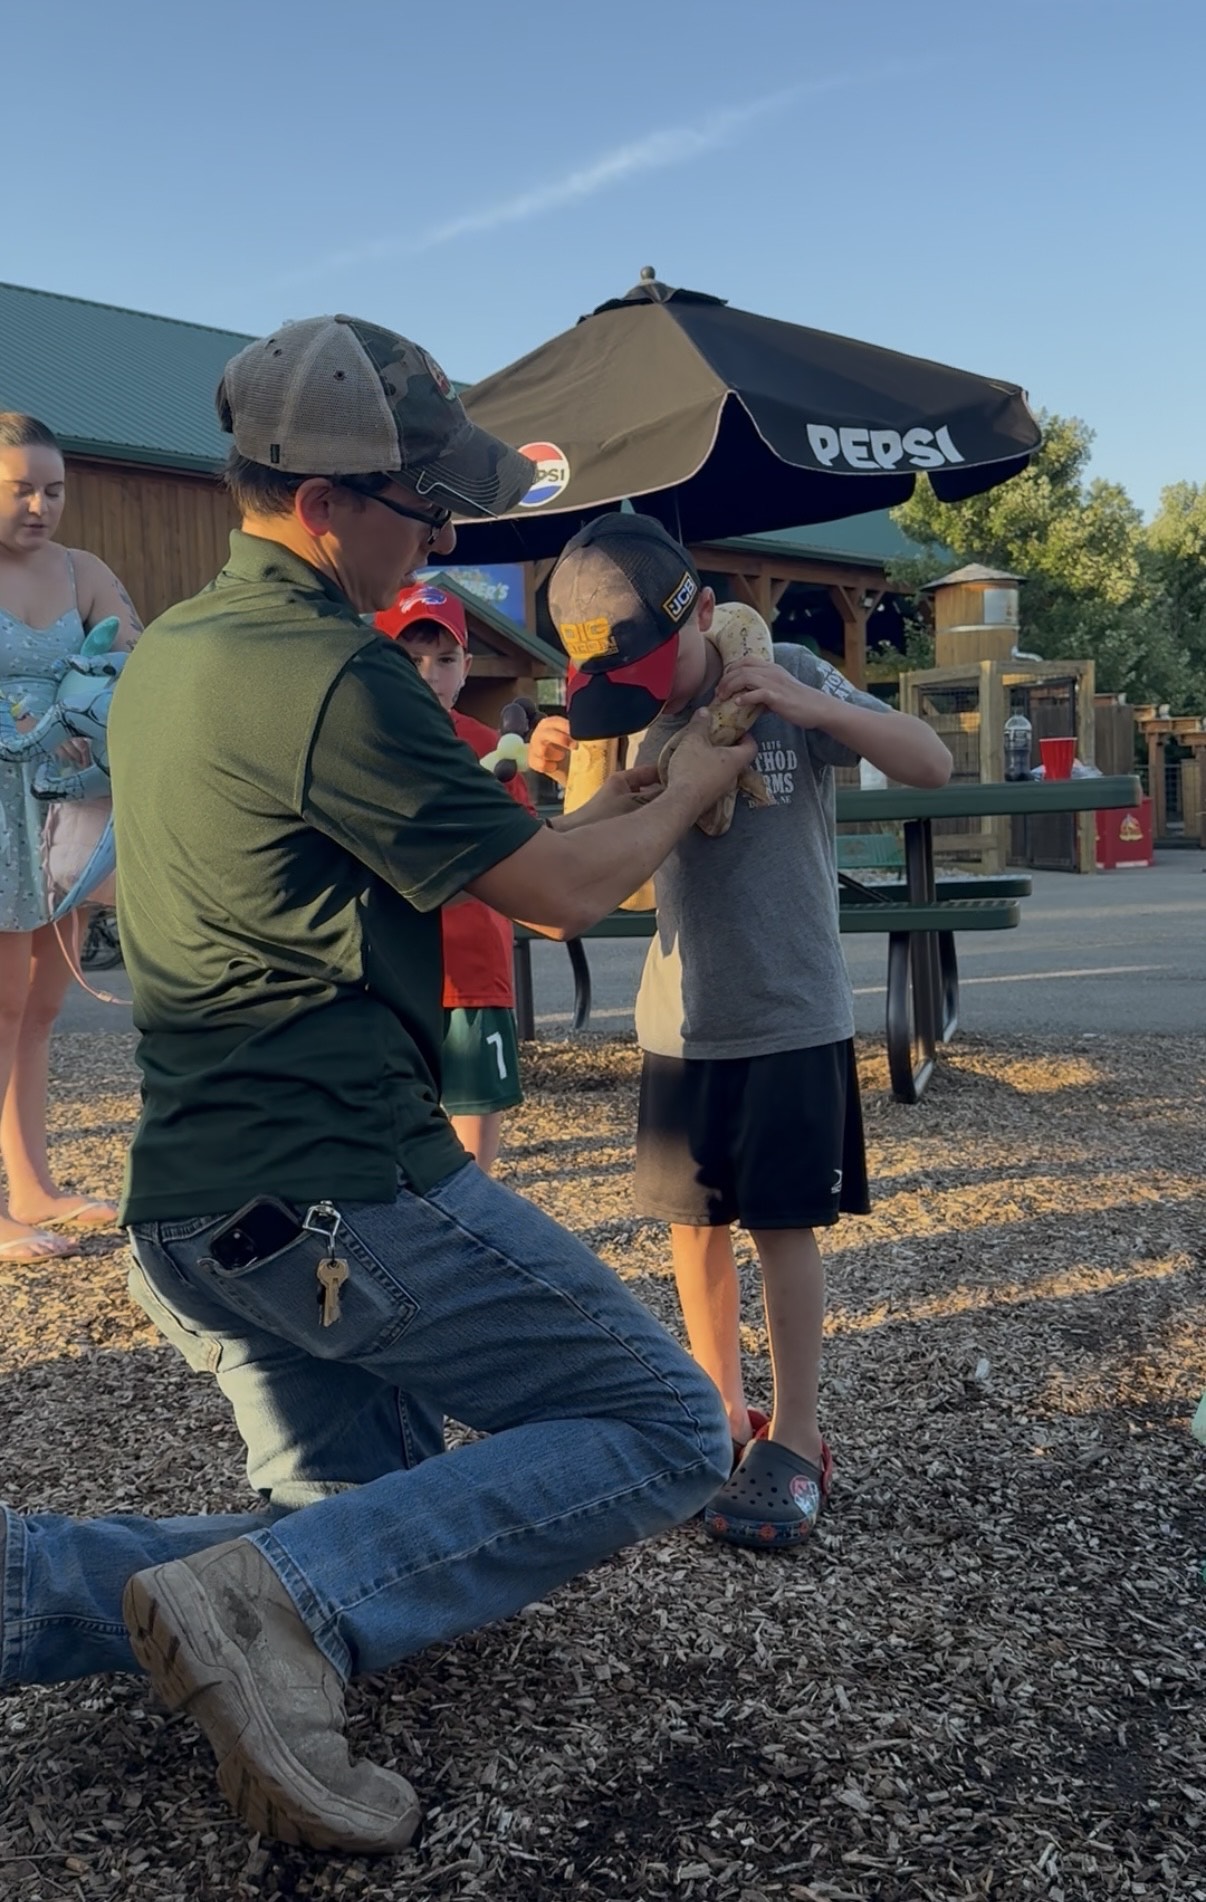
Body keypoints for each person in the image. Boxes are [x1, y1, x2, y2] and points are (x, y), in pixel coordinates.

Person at [0, 318, 755, 1855]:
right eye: (427, 507)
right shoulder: (336, 673)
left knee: (368, 1541)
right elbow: (561, 897)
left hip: (193, 1206)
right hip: (333, 1184)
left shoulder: (175, 651)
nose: (447, 538)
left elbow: (475, 850)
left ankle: (42, 1587)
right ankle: (270, 1611)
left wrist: (610, 791)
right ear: (326, 502)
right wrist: (688, 784)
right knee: (670, 1421)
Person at [535, 513, 952, 1550]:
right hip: (682, 1021)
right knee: (694, 1226)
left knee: (782, 1227)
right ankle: (719, 1411)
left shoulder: (790, 675)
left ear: (704, 614)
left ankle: (799, 1433)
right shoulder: (642, 722)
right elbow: (584, 868)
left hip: (789, 1012)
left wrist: (813, 706)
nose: (644, 699)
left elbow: (931, 762)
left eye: (649, 671)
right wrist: (604, 790)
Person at [0, 413, 142, 1262]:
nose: (40, 506)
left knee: (43, 1003)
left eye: (53, 490)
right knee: (1, 1001)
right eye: (20, 489)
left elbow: (134, 660)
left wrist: (100, 709)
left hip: (66, 805)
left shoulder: (84, 569)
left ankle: (32, 1185)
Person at [376, 582, 531, 1173]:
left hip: (471, 969)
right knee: (390, 1127)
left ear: (466, 667)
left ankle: (473, 1214)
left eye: (444, 659)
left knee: (471, 1138)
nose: (429, 674)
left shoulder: (491, 749)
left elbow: (527, 850)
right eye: (411, 658)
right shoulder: (364, 742)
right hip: (387, 973)